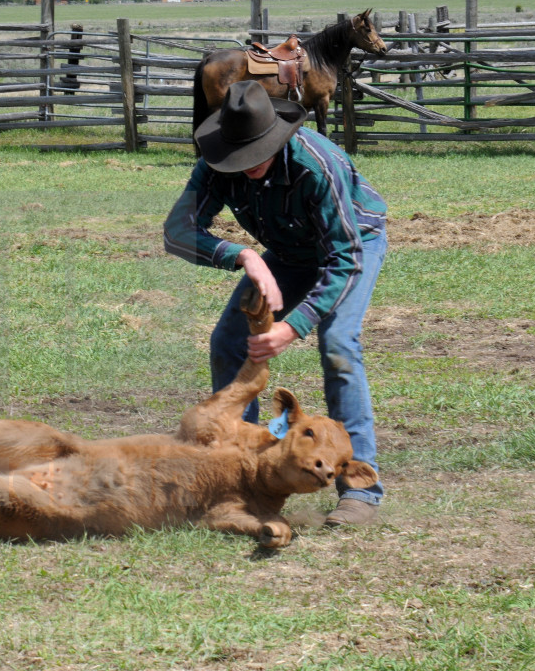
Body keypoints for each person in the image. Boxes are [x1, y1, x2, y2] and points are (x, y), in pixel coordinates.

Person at [164, 80, 387, 527]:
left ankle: (361, 489)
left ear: (278, 139)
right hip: (285, 252)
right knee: (229, 340)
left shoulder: (317, 166)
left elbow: (344, 259)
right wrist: (243, 255)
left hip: (348, 246)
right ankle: (233, 467)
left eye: (254, 155)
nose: (244, 166)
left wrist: (293, 326)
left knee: (339, 343)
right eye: (237, 156)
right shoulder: (217, 162)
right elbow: (177, 232)